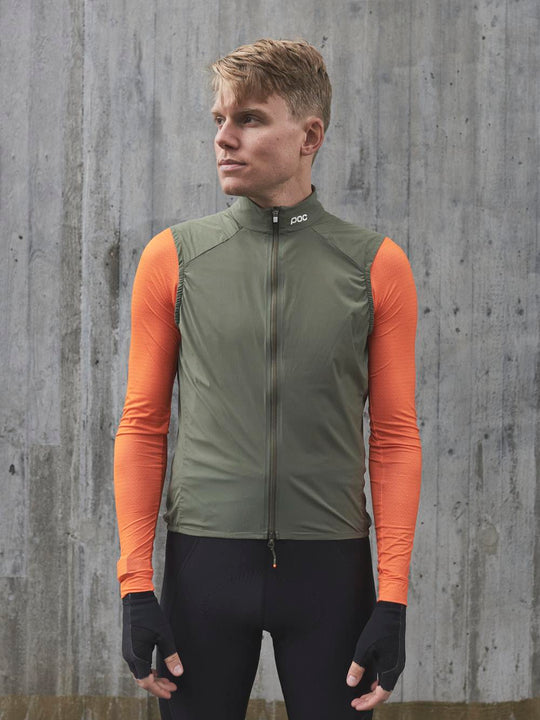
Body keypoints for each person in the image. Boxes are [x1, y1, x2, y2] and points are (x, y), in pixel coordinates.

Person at [114, 38, 422, 720]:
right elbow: (142, 424)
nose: (224, 138)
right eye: (220, 119)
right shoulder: (174, 258)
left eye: (249, 119)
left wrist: (393, 597)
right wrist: (136, 586)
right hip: (203, 568)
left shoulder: (376, 266)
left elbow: (395, 437)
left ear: (309, 135)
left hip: (330, 574)